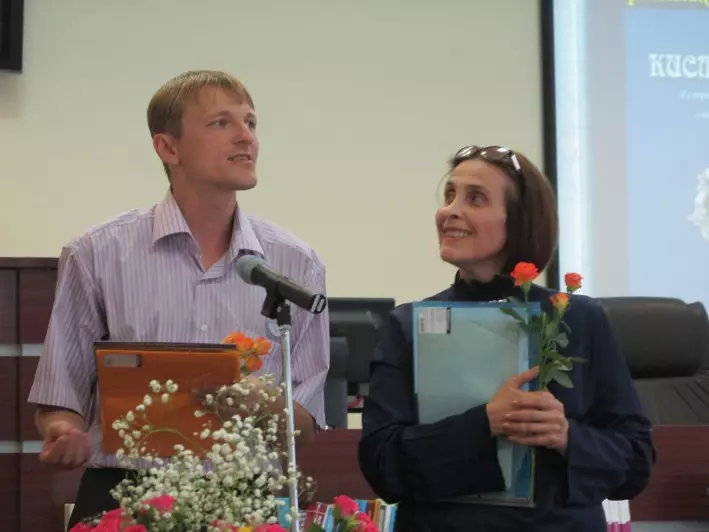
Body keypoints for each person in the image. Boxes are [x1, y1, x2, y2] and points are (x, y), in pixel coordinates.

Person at [27, 70, 330, 528]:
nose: (246, 136)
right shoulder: (98, 252)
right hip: (123, 493)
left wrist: (262, 403)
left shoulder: (295, 263)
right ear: (168, 148)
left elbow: (304, 426)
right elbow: (60, 393)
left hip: (243, 501)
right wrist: (63, 432)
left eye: (250, 122)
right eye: (222, 122)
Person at [357, 145, 655, 531]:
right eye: (449, 195)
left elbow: (635, 464)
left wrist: (567, 436)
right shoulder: (407, 324)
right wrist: (485, 423)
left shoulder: (580, 318)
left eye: (475, 198)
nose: (449, 211)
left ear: (519, 220)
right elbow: (382, 467)